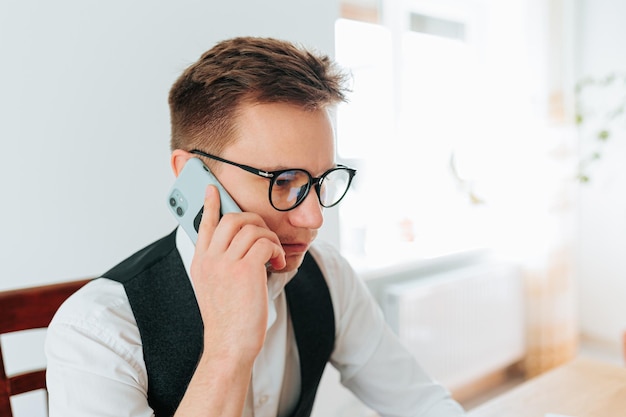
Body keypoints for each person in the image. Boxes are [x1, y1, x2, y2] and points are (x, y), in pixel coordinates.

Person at [45, 36, 466, 417]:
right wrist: (228, 352)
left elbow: (421, 403)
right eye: (283, 182)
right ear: (192, 175)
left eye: (320, 182)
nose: (314, 217)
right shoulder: (96, 331)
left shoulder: (328, 275)